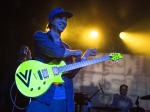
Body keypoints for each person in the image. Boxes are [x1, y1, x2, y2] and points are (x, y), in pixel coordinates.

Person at [26, 7, 97, 112]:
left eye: (66, 19)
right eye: (60, 18)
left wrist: (86, 55)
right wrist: (74, 52)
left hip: (63, 100)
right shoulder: (40, 37)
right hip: (43, 99)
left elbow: (70, 73)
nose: (64, 21)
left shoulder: (66, 47)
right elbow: (56, 52)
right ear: (51, 20)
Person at [0, 45, 32, 112]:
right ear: (18, 52)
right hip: (12, 96)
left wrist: (30, 59)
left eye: (26, 48)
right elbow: (5, 81)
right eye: (22, 48)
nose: (24, 49)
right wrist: (2, 96)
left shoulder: (29, 64)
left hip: (25, 98)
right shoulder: (11, 65)